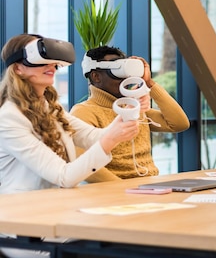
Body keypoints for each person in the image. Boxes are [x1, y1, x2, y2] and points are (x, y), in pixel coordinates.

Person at [0, 34, 139, 257]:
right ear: (18, 69)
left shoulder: (49, 107)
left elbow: (94, 136)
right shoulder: (9, 118)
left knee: (126, 240)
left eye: (54, 62)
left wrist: (129, 109)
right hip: (24, 227)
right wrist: (110, 139)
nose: (52, 66)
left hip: (57, 215)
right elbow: (64, 176)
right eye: (43, 61)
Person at [70, 45, 190, 181]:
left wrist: (149, 83)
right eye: (117, 72)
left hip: (150, 186)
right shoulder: (84, 112)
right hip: (116, 193)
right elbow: (83, 164)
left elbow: (179, 124)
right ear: (96, 76)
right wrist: (124, 189)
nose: (124, 79)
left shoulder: (133, 108)